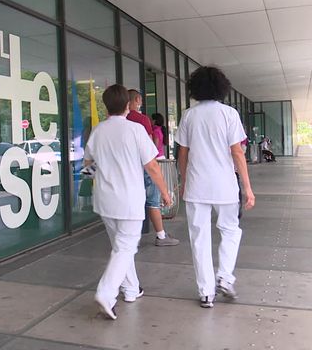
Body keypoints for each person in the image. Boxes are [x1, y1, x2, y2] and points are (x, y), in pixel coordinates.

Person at [84, 84, 171, 320]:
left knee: (121, 248)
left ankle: (131, 289)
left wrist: (104, 171)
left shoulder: (98, 131)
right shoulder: (134, 130)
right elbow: (152, 166)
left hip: (104, 200)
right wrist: (165, 192)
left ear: (106, 105)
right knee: (125, 247)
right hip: (129, 199)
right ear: (127, 105)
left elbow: (87, 166)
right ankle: (106, 293)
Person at [176, 66, 255, 309]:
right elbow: (237, 153)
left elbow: (182, 154)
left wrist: (183, 181)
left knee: (199, 237)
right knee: (230, 231)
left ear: (195, 88)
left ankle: (206, 293)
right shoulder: (229, 114)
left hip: (196, 185)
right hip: (224, 185)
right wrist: (248, 187)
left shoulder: (189, 115)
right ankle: (225, 277)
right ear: (222, 87)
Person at [127, 89, 179, 246]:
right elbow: (149, 148)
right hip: (144, 165)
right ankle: (161, 235)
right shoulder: (141, 120)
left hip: (128, 170)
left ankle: (131, 236)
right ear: (137, 99)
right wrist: (165, 193)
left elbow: (90, 166)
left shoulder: (104, 128)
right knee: (153, 201)